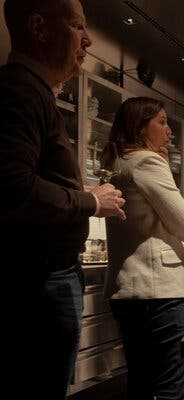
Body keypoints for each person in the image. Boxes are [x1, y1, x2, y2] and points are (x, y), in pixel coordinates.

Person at [0, 1, 126, 399]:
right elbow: (13, 188)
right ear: (39, 27)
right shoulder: (18, 91)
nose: (88, 40)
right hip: (37, 285)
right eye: (77, 27)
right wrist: (89, 200)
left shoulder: (33, 92)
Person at [102, 97, 184, 400]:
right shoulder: (148, 160)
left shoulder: (117, 163)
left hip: (127, 291)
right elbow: (183, 222)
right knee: (171, 386)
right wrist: (165, 168)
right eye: (162, 122)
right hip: (160, 294)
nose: (169, 131)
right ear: (140, 128)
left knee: (140, 383)